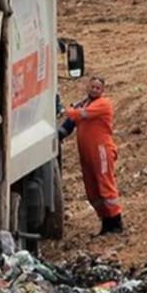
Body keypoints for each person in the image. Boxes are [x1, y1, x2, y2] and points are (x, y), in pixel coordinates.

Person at [58, 76, 123, 235]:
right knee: (92, 189)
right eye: (92, 87)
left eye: (97, 88)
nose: (94, 90)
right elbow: (70, 124)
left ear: (102, 91)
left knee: (105, 184)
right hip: (87, 153)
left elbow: (80, 115)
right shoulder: (84, 104)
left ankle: (115, 221)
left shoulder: (102, 104)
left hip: (101, 150)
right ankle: (105, 222)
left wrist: (63, 110)